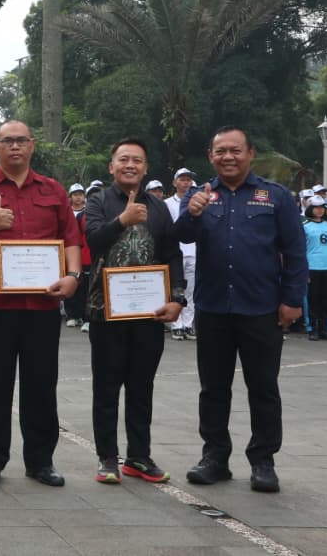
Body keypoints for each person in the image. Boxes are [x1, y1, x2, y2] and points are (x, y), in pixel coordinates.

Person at [176, 126, 307, 493]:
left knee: (263, 386)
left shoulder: (275, 196)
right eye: (221, 152)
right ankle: (215, 456)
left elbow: (295, 252)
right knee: (213, 387)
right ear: (210, 156)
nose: (228, 157)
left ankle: (263, 460)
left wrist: (293, 300)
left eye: (235, 150)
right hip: (214, 306)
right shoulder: (199, 195)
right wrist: (193, 214)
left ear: (251, 153)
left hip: (261, 307)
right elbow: (182, 236)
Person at [0, 121, 81, 488]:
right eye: (7, 141)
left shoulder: (53, 190)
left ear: (32, 145)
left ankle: (41, 461)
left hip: (42, 306)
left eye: (21, 141)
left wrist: (73, 276)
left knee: (41, 385)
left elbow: (70, 238)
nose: (14, 147)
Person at [83, 139, 185, 485]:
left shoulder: (158, 207)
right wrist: (122, 220)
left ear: (145, 168)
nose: (130, 165)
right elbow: (92, 241)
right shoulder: (98, 201)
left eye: (137, 160)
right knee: (107, 385)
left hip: (149, 311)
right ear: (112, 166)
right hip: (106, 311)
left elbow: (172, 253)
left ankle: (139, 456)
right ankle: (108, 457)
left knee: (142, 385)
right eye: (123, 159)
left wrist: (178, 298)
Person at [163, 168, 199, 340]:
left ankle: (187, 324)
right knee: (175, 289)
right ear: (175, 182)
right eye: (182, 179)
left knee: (191, 291)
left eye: (189, 180)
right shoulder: (167, 203)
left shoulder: (198, 202)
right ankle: (176, 324)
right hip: (175, 252)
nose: (186, 183)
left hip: (193, 251)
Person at [302, 196, 327, 342]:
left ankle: (325, 329)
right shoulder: (305, 226)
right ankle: (312, 329)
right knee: (313, 299)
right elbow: (300, 250)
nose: (320, 210)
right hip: (312, 267)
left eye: (322, 207)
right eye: (316, 207)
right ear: (311, 209)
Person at [63, 183, 91, 331]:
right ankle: (71, 315)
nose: (78, 197)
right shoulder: (66, 212)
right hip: (68, 252)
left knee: (85, 287)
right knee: (70, 281)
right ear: (70, 197)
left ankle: (84, 316)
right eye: (75, 194)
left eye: (81, 194)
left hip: (84, 254)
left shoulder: (87, 213)